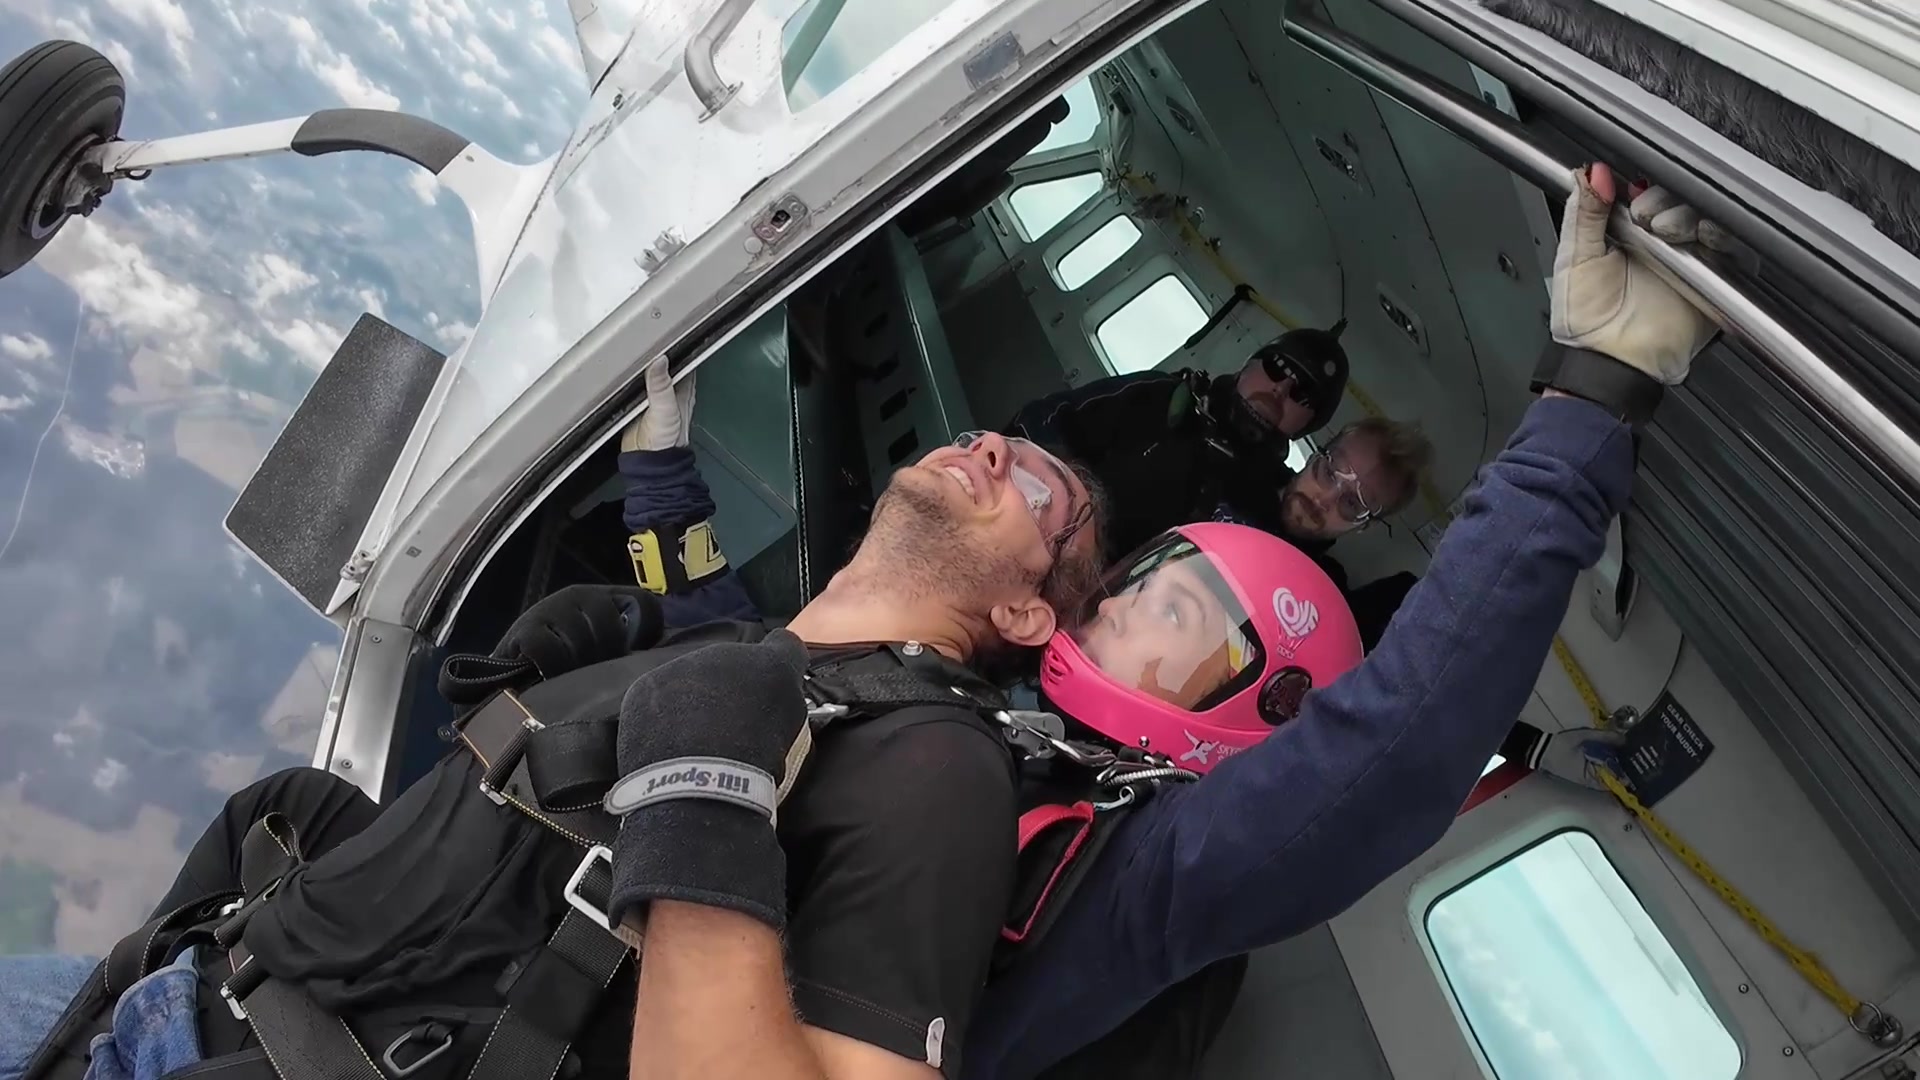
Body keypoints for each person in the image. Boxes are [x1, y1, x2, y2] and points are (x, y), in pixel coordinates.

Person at [3, 161, 1718, 1080]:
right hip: (198, 973)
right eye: (1141, 575)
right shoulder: (906, 691)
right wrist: (642, 524)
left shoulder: (1085, 848)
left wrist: (1589, 400)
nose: (1132, 602)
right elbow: (737, 639)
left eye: (1178, 615)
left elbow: (1392, 753)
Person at [3, 386, 1105, 1080]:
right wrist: (651, 482)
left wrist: (704, 818)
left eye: (1036, 488)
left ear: (1024, 614)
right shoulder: (755, 642)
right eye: (988, 436)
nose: (991, 449)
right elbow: (687, 563)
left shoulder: (940, 768)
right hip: (180, 983)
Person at [1006, 322, 1351, 559]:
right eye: (1277, 368)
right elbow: (1040, 423)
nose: (1281, 389)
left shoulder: (1269, 505)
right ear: (1249, 364)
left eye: (1303, 394)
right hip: (1038, 546)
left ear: (1310, 424)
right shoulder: (1159, 396)